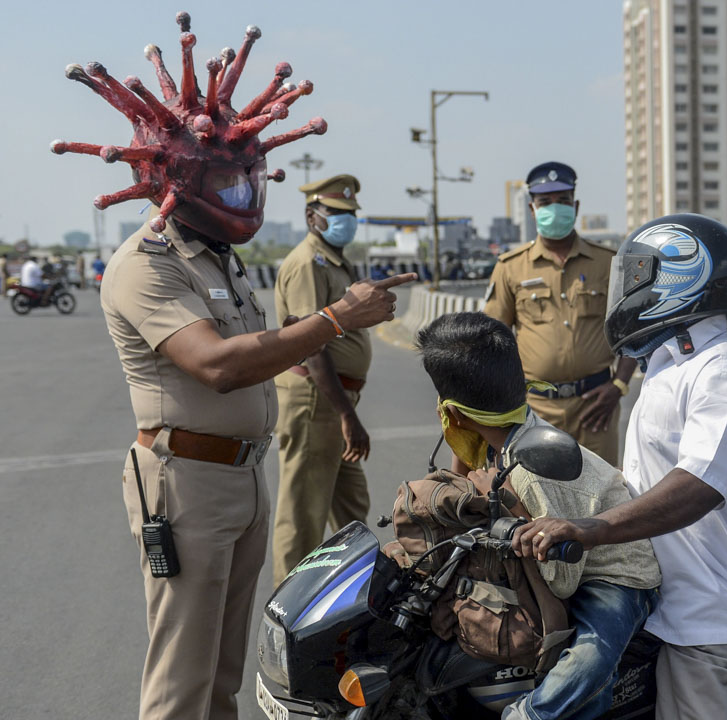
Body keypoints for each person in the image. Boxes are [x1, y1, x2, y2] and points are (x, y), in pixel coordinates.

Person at [58, 13, 415, 720]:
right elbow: (216, 365)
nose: (243, 192)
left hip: (242, 476)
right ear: (177, 175)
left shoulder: (222, 261)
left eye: (247, 176)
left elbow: (266, 349)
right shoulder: (145, 266)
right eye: (225, 178)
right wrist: (337, 318)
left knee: (223, 675)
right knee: (182, 680)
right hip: (185, 484)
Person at [514, 214, 727, 720]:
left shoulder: (724, 369)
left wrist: (591, 529)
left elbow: (697, 487)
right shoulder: (668, 363)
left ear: (685, 275)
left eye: (639, 275)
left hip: (706, 616)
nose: (627, 290)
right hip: (656, 603)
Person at [415, 311, 661, 720]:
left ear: (452, 412)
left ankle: (533, 713)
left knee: (591, 656)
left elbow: (562, 582)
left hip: (615, 572)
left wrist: (514, 505)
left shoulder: (532, 471)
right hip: (562, 560)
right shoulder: (504, 438)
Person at [484, 162, 637, 466]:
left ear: (576, 206)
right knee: (536, 500)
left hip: (596, 406)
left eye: (563, 201)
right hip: (534, 409)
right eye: (545, 203)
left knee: (601, 499)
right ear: (532, 209)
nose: (555, 209)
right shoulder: (510, 267)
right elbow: (493, 340)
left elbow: (633, 330)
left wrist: (618, 387)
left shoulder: (608, 262)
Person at [272, 174, 375, 585]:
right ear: (312, 216)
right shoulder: (307, 264)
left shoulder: (334, 260)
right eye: (336, 213)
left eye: (350, 214)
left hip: (333, 403)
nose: (345, 221)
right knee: (302, 517)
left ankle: (354, 594)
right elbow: (311, 345)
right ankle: (288, 610)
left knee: (352, 507)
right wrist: (347, 414)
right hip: (317, 400)